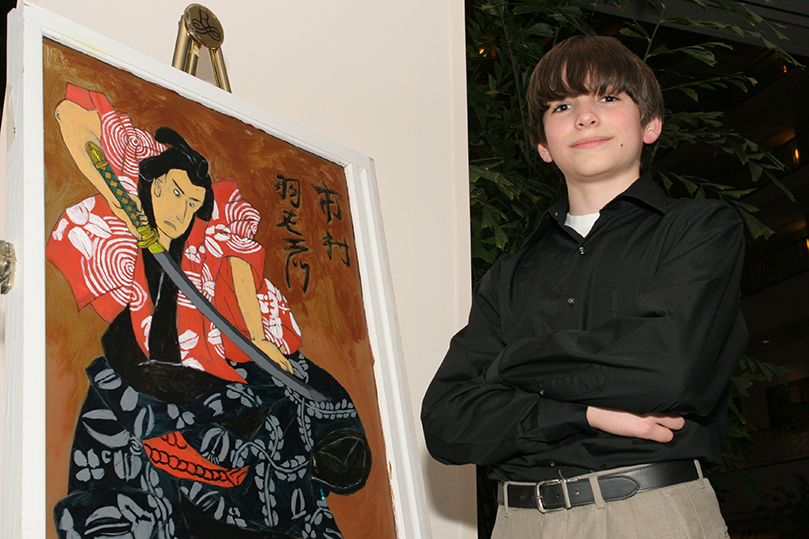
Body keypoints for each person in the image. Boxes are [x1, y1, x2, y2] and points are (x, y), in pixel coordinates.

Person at [422, 35, 746, 538]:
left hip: (650, 513)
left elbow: (667, 371)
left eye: (609, 98)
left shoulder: (699, 229)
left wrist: (509, 365)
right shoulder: (508, 274)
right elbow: (446, 422)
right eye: (562, 104)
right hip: (518, 522)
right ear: (543, 145)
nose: (585, 116)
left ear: (651, 124)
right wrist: (587, 412)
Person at [48, 84, 371, 539]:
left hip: (217, 354)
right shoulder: (136, 181)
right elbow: (70, 115)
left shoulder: (212, 225)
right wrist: (124, 205)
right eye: (175, 194)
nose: (181, 210)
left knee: (299, 400)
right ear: (155, 182)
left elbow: (241, 263)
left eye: (192, 202)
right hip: (142, 362)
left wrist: (257, 337)